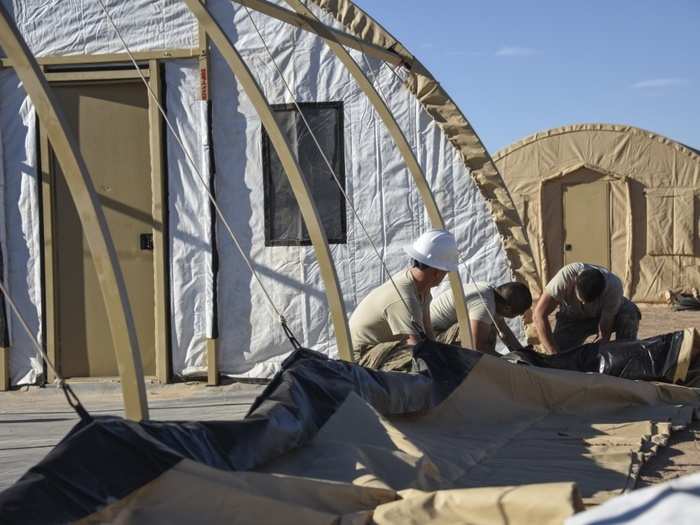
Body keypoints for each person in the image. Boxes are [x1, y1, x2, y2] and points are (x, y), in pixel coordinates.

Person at [349, 229, 457, 371]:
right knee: (418, 362)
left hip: (381, 350)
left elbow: (428, 334)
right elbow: (415, 345)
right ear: (437, 272)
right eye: (446, 272)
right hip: (361, 359)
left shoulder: (422, 290)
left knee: (438, 355)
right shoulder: (404, 295)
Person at [533, 262, 641, 354]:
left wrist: (597, 353)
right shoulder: (564, 278)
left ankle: (625, 357)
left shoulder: (613, 287)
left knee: (629, 312)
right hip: (573, 318)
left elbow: (604, 333)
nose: (584, 304)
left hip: (601, 316)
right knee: (559, 351)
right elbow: (538, 315)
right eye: (581, 299)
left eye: (589, 302)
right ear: (574, 283)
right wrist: (553, 353)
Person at [430, 281, 532, 354]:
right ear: (507, 308)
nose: (520, 315)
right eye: (518, 313)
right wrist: (508, 364)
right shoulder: (485, 305)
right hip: (431, 339)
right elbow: (477, 346)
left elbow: (503, 330)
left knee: (490, 325)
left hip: (440, 332)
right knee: (485, 331)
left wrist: (521, 353)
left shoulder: (491, 293)